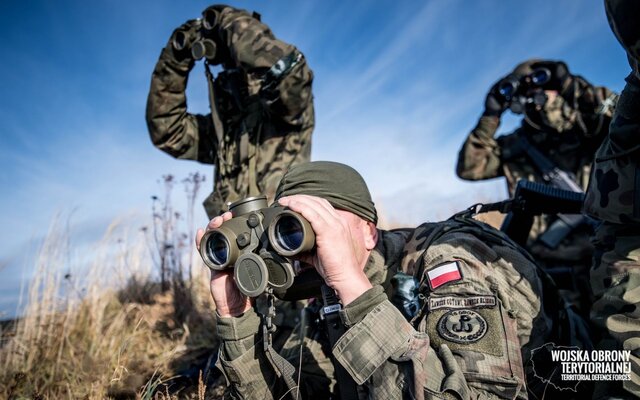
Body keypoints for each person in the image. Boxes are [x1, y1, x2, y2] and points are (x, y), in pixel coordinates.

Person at [197, 161, 556, 399]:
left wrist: (354, 289)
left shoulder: (447, 262)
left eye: (326, 223)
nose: (316, 244)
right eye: (292, 229)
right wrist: (235, 315)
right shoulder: (323, 291)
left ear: (369, 232)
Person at [456, 60, 618, 316]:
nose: (538, 98)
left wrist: (573, 87)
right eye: (528, 93)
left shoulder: (591, 129)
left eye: (545, 87)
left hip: (609, 257)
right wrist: (491, 115)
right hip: (545, 269)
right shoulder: (515, 147)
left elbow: (623, 113)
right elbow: (469, 167)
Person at [146, 4, 314, 219]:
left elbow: (288, 70)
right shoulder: (223, 131)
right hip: (234, 246)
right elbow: (167, 131)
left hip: (284, 240)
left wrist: (229, 20)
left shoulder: (285, 111)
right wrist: (175, 59)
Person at [583, 1, 640, 398]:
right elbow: (471, 168)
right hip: (585, 232)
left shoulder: (591, 108)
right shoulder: (520, 141)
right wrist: (493, 113)